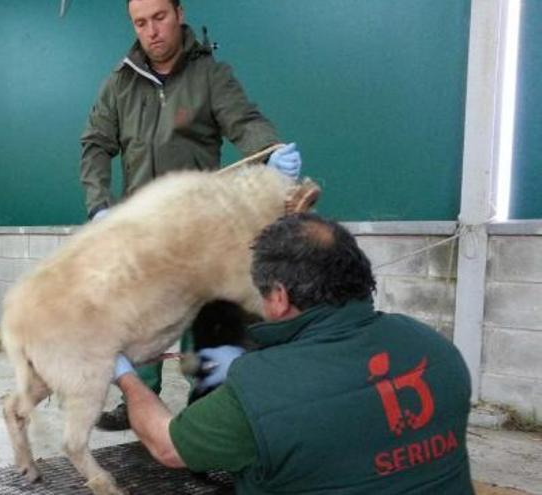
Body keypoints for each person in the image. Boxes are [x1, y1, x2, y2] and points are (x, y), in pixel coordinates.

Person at [112, 213, 474, 494]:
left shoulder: (259, 388)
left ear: (281, 297)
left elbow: (166, 446)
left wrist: (125, 376)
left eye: (262, 293)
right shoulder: (435, 348)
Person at [82, 0, 303, 430]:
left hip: (201, 226)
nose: (152, 31)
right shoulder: (120, 83)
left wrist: (272, 153)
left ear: (179, 13)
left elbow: (245, 123)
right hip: (141, 224)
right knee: (142, 313)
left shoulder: (211, 76)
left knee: (202, 312)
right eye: (141, 23)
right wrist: (99, 205)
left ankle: (205, 410)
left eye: (159, 17)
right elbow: (94, 144)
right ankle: (137, 400)